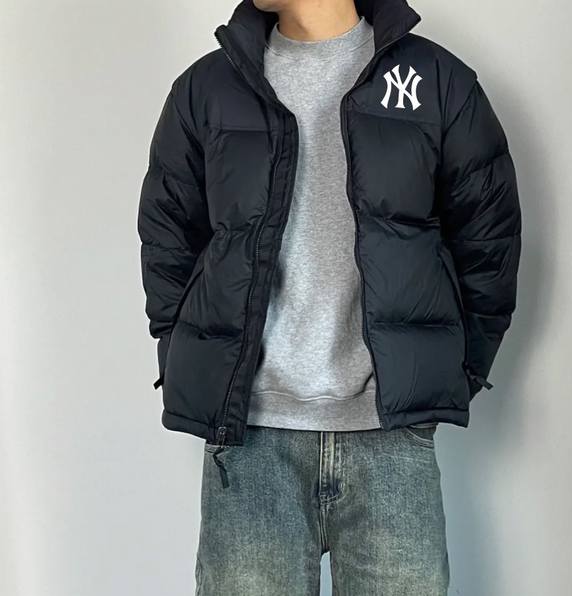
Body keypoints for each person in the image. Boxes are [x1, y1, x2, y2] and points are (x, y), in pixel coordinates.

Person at [136, 0, 521, 593]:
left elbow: (488, 241)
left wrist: (454, 369)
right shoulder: (207, 89)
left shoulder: (437, 82)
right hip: (251, 439)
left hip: (391, 442)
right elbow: (169, 238)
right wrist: (192, 358)